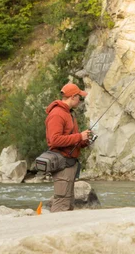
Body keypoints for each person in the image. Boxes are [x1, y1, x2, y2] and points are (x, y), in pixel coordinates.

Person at [45, 82, 91, 212]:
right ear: (73, 97)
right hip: (62, 165)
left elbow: (72, 139)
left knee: (69, 202)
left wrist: (85, 140)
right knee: (61, 202)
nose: (80, 100)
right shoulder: (57, 114)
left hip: (70, 164)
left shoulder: (69, 113)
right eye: (79, 97)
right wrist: (79, 137)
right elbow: (54, 140)